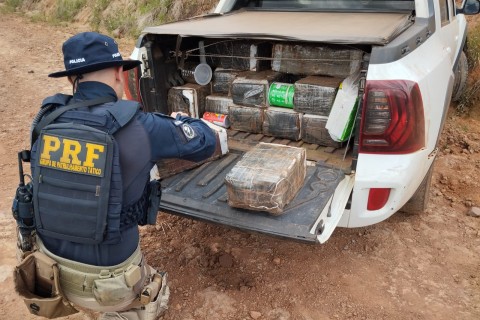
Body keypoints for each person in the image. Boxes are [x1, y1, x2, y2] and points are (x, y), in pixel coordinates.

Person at [23, 32, 217, 319]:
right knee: (153, 290)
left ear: (71, 80)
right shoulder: (141, 126)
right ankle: (132, 309)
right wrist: (180, 121)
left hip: (48, 272)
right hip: (109, 284)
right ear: (118, 73)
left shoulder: (47, 119)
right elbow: (206, 142)